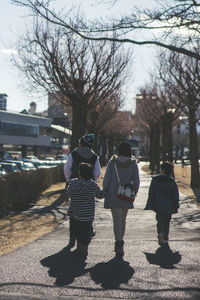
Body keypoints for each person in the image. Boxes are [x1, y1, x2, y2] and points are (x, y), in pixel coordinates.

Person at [103, 142, 140, 257]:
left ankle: (118, 242)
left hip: (114, 194)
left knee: (116, 220)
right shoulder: (133, 164)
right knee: (123, 219)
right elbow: (137, 181)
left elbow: (106, 179)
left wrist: (105, 191)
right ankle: (120, 241)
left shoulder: (112, 162)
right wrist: (134, 192)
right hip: (127, 195)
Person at [64, 133, 101, 245]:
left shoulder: (74, 153)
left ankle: (72, 237)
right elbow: (97, 172)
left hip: (75, 184)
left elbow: (67, 168)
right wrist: (92, 181)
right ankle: (87, 233)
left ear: (81, 143)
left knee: (73, 211)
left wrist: (69, 180)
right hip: (89, 185)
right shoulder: (94, 156)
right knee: (88, 211)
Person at [66, 163, 105, 259]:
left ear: (79, 173)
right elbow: (100, 195)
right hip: (88, 214)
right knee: (86, 232)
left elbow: (68, 192)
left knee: (78, 231)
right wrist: (107, 192)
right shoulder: (92, 184)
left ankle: (79, 245)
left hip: (75, 213)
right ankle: (84, 247)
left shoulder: (73, 183)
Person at [145, 161, 179, 247]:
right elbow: (175, 196)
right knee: (167, 222)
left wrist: (150, 203)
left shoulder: (155, 180)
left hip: (158, 204)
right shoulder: (172, 182)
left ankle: (160, 233)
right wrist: (176, 205)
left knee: (159, 220)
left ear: (162, 170)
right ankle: (165, 238)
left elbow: (151, 193)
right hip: (169, 205)